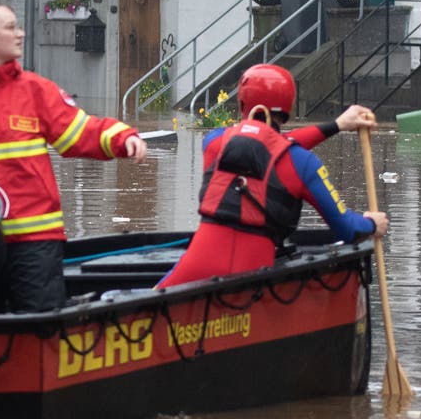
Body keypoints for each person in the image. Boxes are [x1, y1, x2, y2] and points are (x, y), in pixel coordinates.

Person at [0, 0, 147, 312]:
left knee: (41, 325)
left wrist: (120, 137)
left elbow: (78, 132)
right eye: (10, 28)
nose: (20, 34)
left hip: (36, 238)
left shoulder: (36, 91)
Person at [159, 63, 387, 287]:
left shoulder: (214, 142)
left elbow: (268, 143)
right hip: (255, 278)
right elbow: (347, 229)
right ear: (288, 108)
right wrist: (370, 224)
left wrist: (336, 126)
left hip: (196, 267)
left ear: (242, 104)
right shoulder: (304, 163)